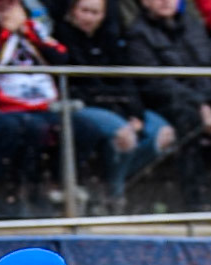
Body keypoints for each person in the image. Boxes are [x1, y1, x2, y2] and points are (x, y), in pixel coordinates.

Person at [56, 0, 173, 214]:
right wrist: (122, 113)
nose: (89, 17)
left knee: (163, 133)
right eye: (85, 11)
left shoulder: (110, 40)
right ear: (72, 12)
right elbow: (79, 87)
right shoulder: (61, 39)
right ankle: (114, 193)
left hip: (120, 106)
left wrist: (134, 113)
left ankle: (110, 183)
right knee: (124, 135)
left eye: (95, 12)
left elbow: (126, 82)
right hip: (82, 106)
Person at [122, 0, 211, 209]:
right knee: (188, 121)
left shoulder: (193, 26)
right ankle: (193, 202)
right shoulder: (138, 33)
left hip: (207, 102)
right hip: (164, 105)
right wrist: (200, 104)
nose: (166, 1)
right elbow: (156, 83)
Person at [0, 0, 68, 216]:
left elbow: (61, 57)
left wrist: (26, 31)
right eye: (0, 6)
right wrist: (5, 33)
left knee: (76, 126)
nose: (6, 10)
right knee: (24, 128)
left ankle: (48, 191)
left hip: (43, 102)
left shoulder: (34, 28)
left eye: (10, 5)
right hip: (1, 104)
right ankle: (6, 193)